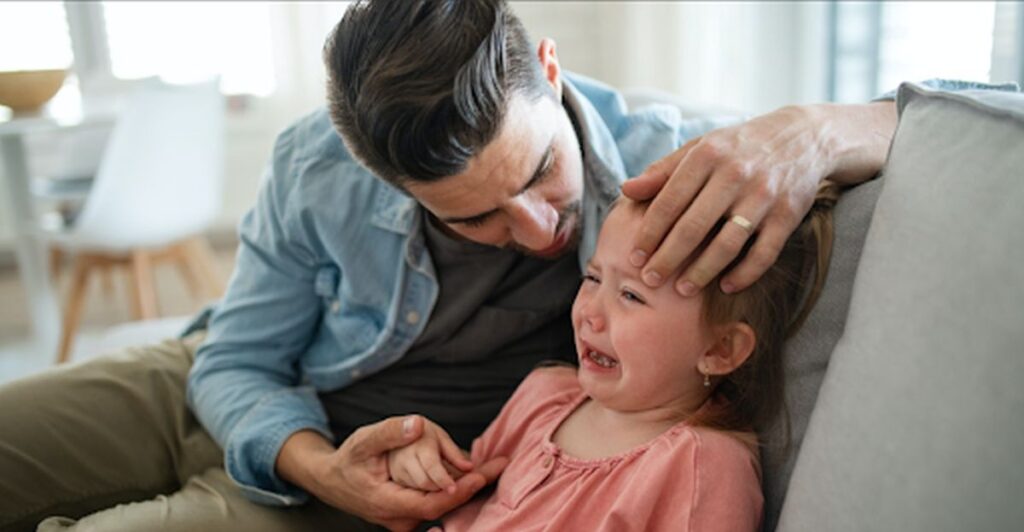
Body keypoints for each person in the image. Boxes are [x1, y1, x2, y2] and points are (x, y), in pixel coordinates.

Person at [3, 0, 967, 530]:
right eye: (473, 218)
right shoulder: (315, 162)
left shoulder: (672, 161)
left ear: (548, 70)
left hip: (368, 486)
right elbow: (236, 361)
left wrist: (823, 125)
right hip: (238, 399)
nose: (541, 228)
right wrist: (319, 465)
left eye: (543, 173)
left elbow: (977, 115)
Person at [386, 187, 838, 531]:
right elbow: (467, 491)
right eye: (592, 277)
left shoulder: (701, 466)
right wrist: (421, 468)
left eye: (630, 295)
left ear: (720, 350)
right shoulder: (544, 394)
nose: (590, 313)